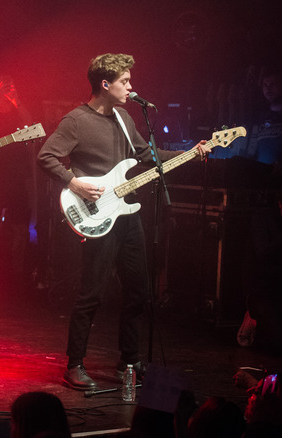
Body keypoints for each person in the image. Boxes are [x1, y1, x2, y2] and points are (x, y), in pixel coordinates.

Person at [37, 53, 207, 390]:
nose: (131, 87)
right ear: (105, 84)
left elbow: (148, 157)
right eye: (125, 81)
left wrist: (191, 152)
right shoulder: (76, 120)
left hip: (127, 215)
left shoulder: (124, 118)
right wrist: (73, 182)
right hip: (96, 215)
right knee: (92, 293)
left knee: (138, 292)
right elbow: (45, 156)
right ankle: (74, 364)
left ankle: (129, 360)